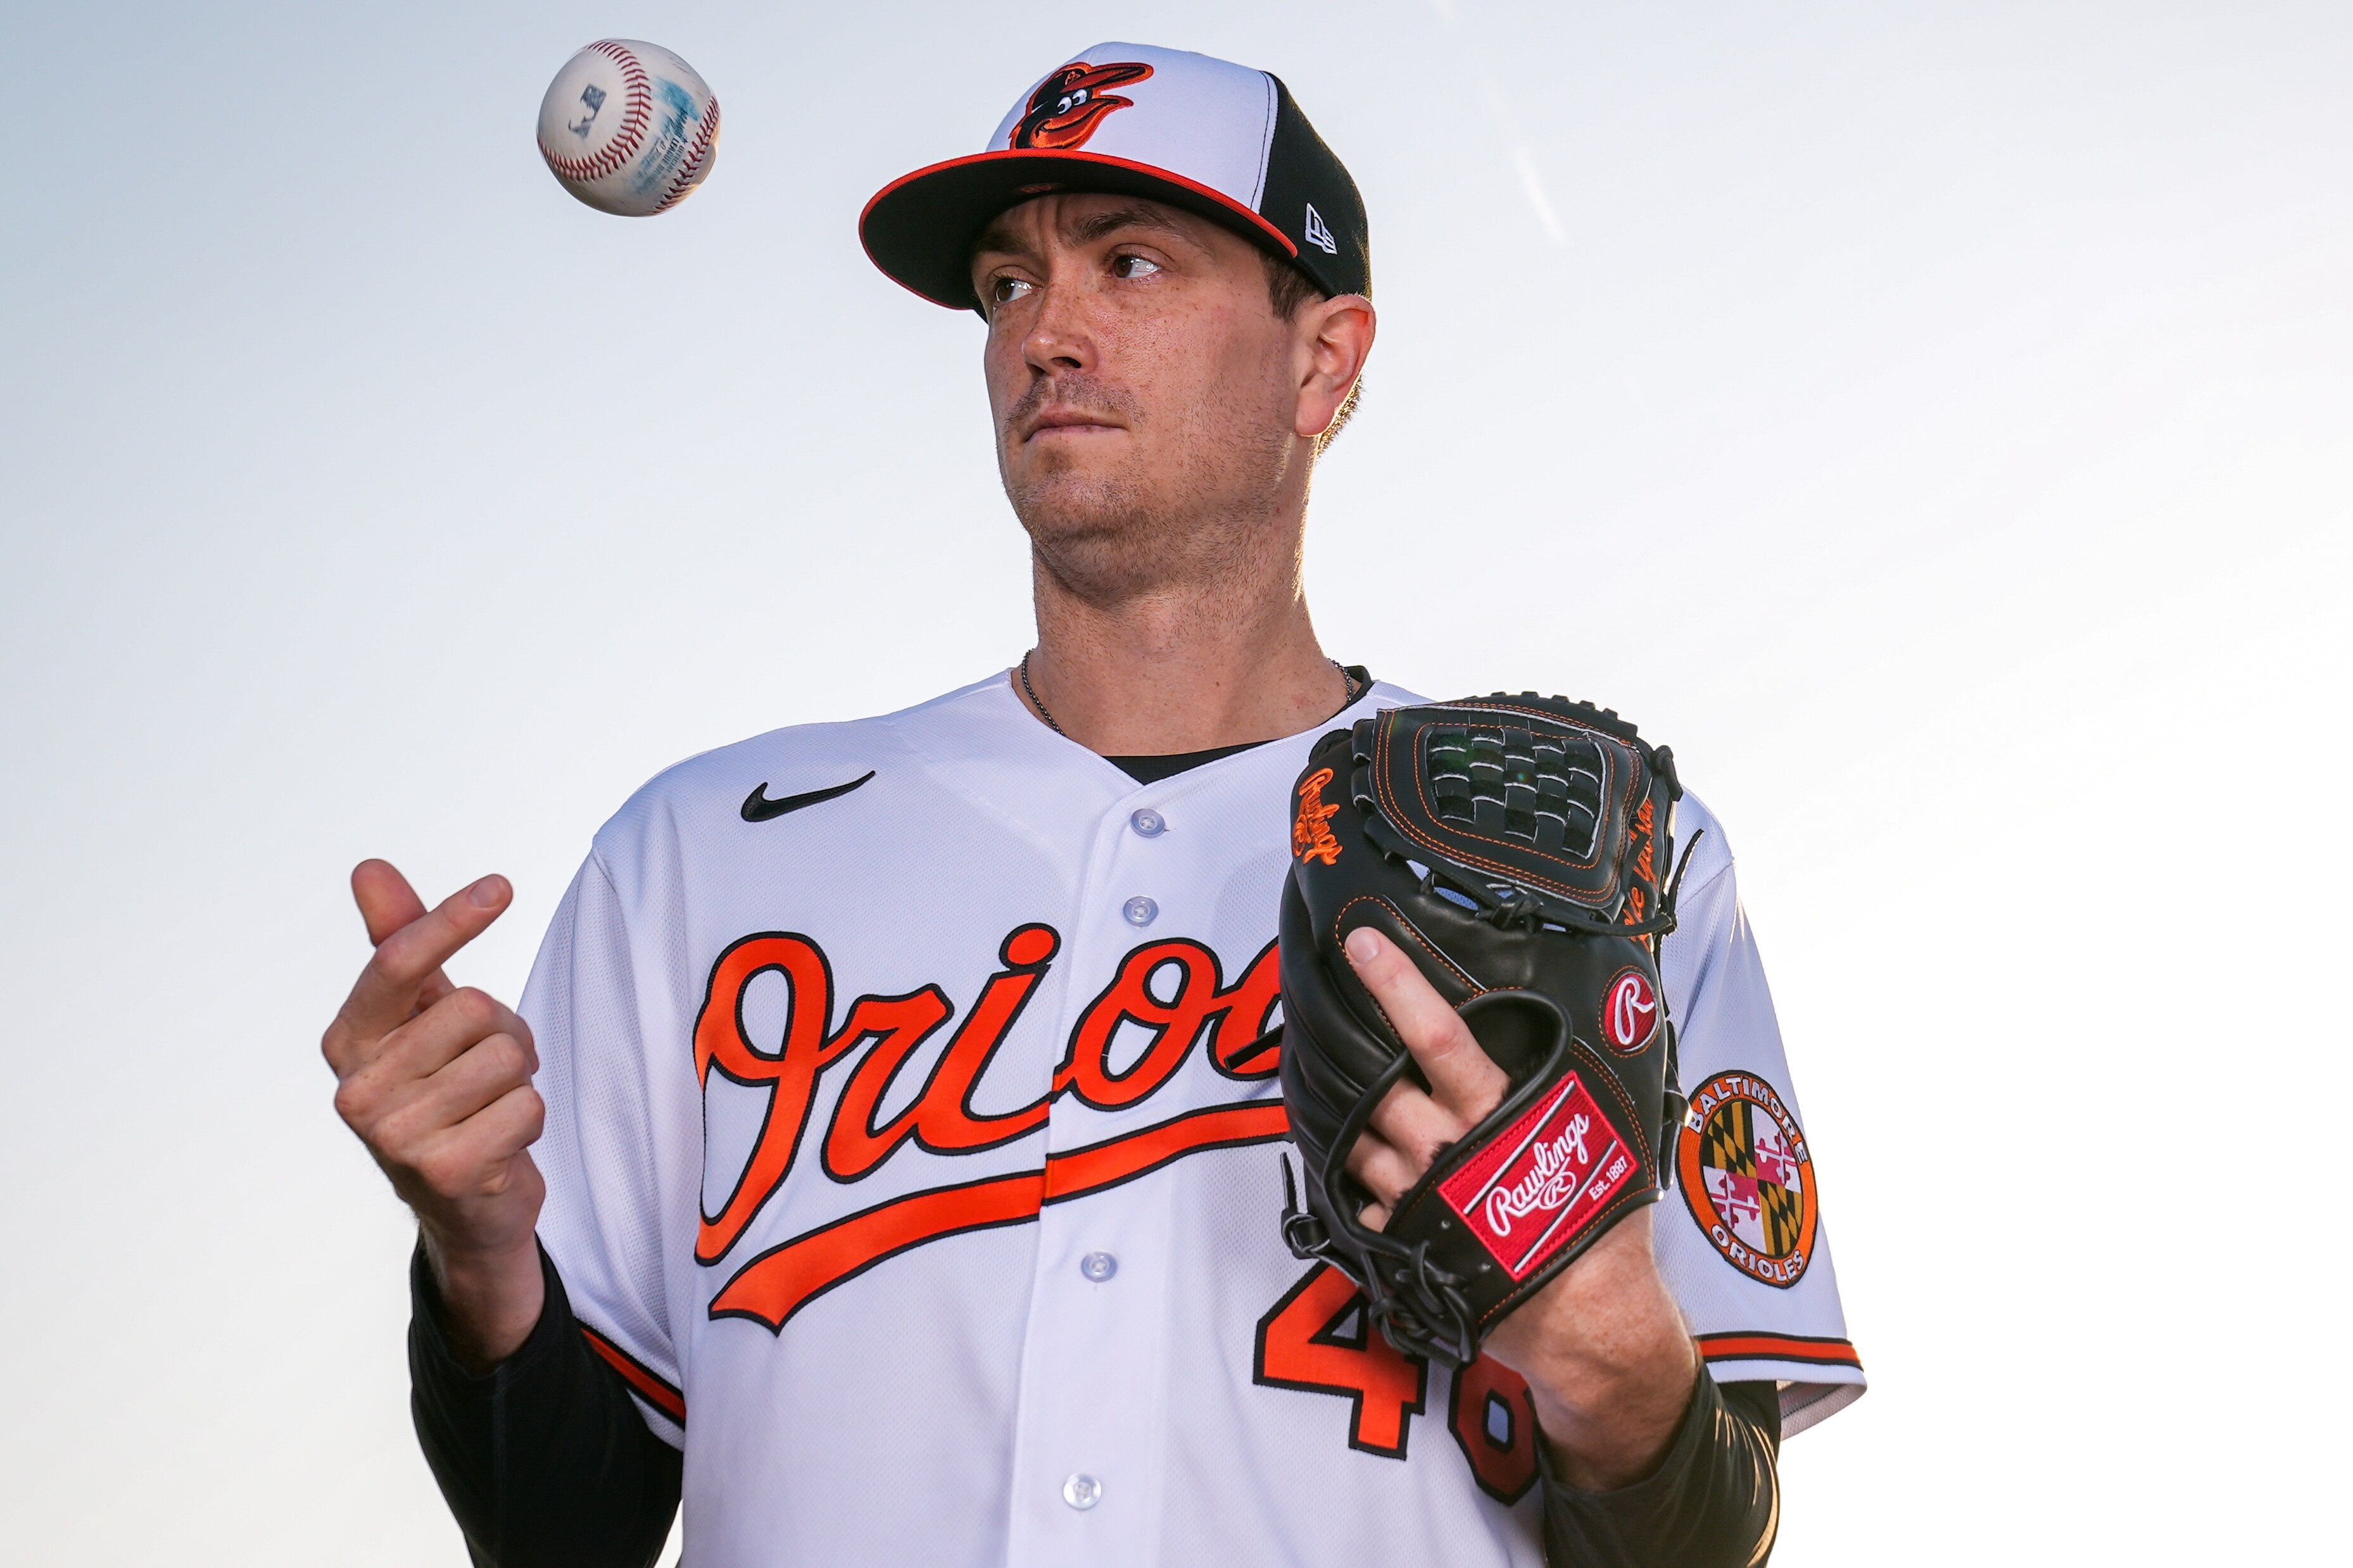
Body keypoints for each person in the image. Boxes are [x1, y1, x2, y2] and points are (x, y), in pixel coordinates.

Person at [320, 41, 1862, 1568]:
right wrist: (479, 1258)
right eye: (1005, 285)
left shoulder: (1584, 856)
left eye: (1128, 264)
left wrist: (1608, 1354)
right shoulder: (705, 858)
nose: (1043, 332)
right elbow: (560, 1533)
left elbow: (1703, 1542)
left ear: (1322, 360)